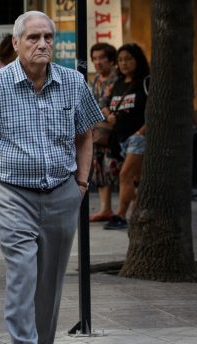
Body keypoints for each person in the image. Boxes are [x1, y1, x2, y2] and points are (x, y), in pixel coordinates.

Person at [0, 11, 103, 344]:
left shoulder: (73, 82)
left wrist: (82, 182)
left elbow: (86, 133)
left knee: (51, 278)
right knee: (23, 274)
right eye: (34, 38)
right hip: (11, 192)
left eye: (48, 37)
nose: (42, 44)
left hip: (61, 191)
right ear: (17, 42)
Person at [103, 43, 149, 230]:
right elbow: (106, 104)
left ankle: (120, 215)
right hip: (120, 138)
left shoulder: (146, 81)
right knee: (137, 179)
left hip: (138, 137)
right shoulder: (118, 84)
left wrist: (141, 132)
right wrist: (109, 115)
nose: (124, 63)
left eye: (128, 59)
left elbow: (155, 111)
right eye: (120, 60)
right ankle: (140, 214)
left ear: (138, 60)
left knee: (126, 175)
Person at [88, 42, 120, 222]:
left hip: (114, 131)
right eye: (95, 58)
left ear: (110, 60)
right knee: (99, 168)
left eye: (102, 58)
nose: (98, 62)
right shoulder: (96, 80)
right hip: (98, 132)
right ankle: (105, 208)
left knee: (117, 169)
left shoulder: (117, 78)